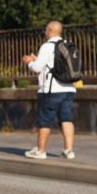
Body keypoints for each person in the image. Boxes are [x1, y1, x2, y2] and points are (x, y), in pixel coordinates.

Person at [21, 20, 77, 160]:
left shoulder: (47, 46)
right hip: (69, 89)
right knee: (66, 119)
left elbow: (37, 68)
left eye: (46, 30)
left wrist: (29, 62)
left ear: (51, 31)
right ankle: (68, 150)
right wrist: (37, 59)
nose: (45, 32)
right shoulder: (67, 46)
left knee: (44, 120)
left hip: (51, 90)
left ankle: (40, 151)